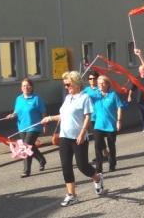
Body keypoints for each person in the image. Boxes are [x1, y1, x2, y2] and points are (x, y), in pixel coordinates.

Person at [41, 71, 104, 207]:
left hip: (78, 137)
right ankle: (71, 195)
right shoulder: (68, 98)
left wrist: (82, 133)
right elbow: (64, 115)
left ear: (76, 83)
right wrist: (50, 118)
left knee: (82, 166)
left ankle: (97, 177)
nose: (66, 87)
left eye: (68, 84)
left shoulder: (84, 97)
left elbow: (87, 116)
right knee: (66, 166)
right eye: (65, 84)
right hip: (64, 136)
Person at [6, 78, 47, 178]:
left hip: (34, 127)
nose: (26, 87)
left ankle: (26, 170)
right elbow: (16, 112)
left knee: (25, 147)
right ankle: (41, 159)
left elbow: (43, 112)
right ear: (21, 88)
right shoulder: (19, 99)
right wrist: (12, 115)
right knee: (30, 146)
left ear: (31, 87)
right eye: (24, 86)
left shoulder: (36, 99)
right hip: (22, 127)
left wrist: (45, 124)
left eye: (28, 85)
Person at [90, 75, 123, 173]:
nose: (100, 85)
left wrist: (119, 120)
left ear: (108, 84)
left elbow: (119, 107)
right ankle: (99, 167)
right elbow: (83, 95)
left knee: (111, 145)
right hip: (98, 125)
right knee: (97, 145)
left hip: (110, 125)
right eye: (99, 83)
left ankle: (112, 164)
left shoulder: (113, 95)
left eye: (102, 83)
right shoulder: (95, 94)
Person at [83, 71, 109, 162]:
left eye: (94, 78)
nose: (92, 80)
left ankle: (103, 154)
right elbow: (79, 96)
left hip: (100, 116)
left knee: (99, 136)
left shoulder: (100, 88)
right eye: (90, 78)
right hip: (92, 116)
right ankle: (105, 153)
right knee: (98, 136)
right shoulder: (86, 90)